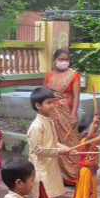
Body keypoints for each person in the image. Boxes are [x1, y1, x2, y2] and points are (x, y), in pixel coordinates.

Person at [27, 86, 72, 198]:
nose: (52, 106)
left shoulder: (49, 122)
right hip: (41, 171)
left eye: (52, 102)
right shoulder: (36, 126)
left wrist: (63, 148)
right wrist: (59, 151)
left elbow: (52, 143)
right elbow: (37, 149)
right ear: (38, 106)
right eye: (48, 103)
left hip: (48, 168)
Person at [43, 48, 81, 184]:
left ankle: (72, 175)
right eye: (61, 59)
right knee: (54, 139)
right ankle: (58, 175)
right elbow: (44, 95)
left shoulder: (74, 75)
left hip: (67, 112)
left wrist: (73, 115)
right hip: (51, 112)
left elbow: (76, 95)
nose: (63, 62)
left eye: (66, 60)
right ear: (55, 61)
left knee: (71, 141)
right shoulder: (49, 75)